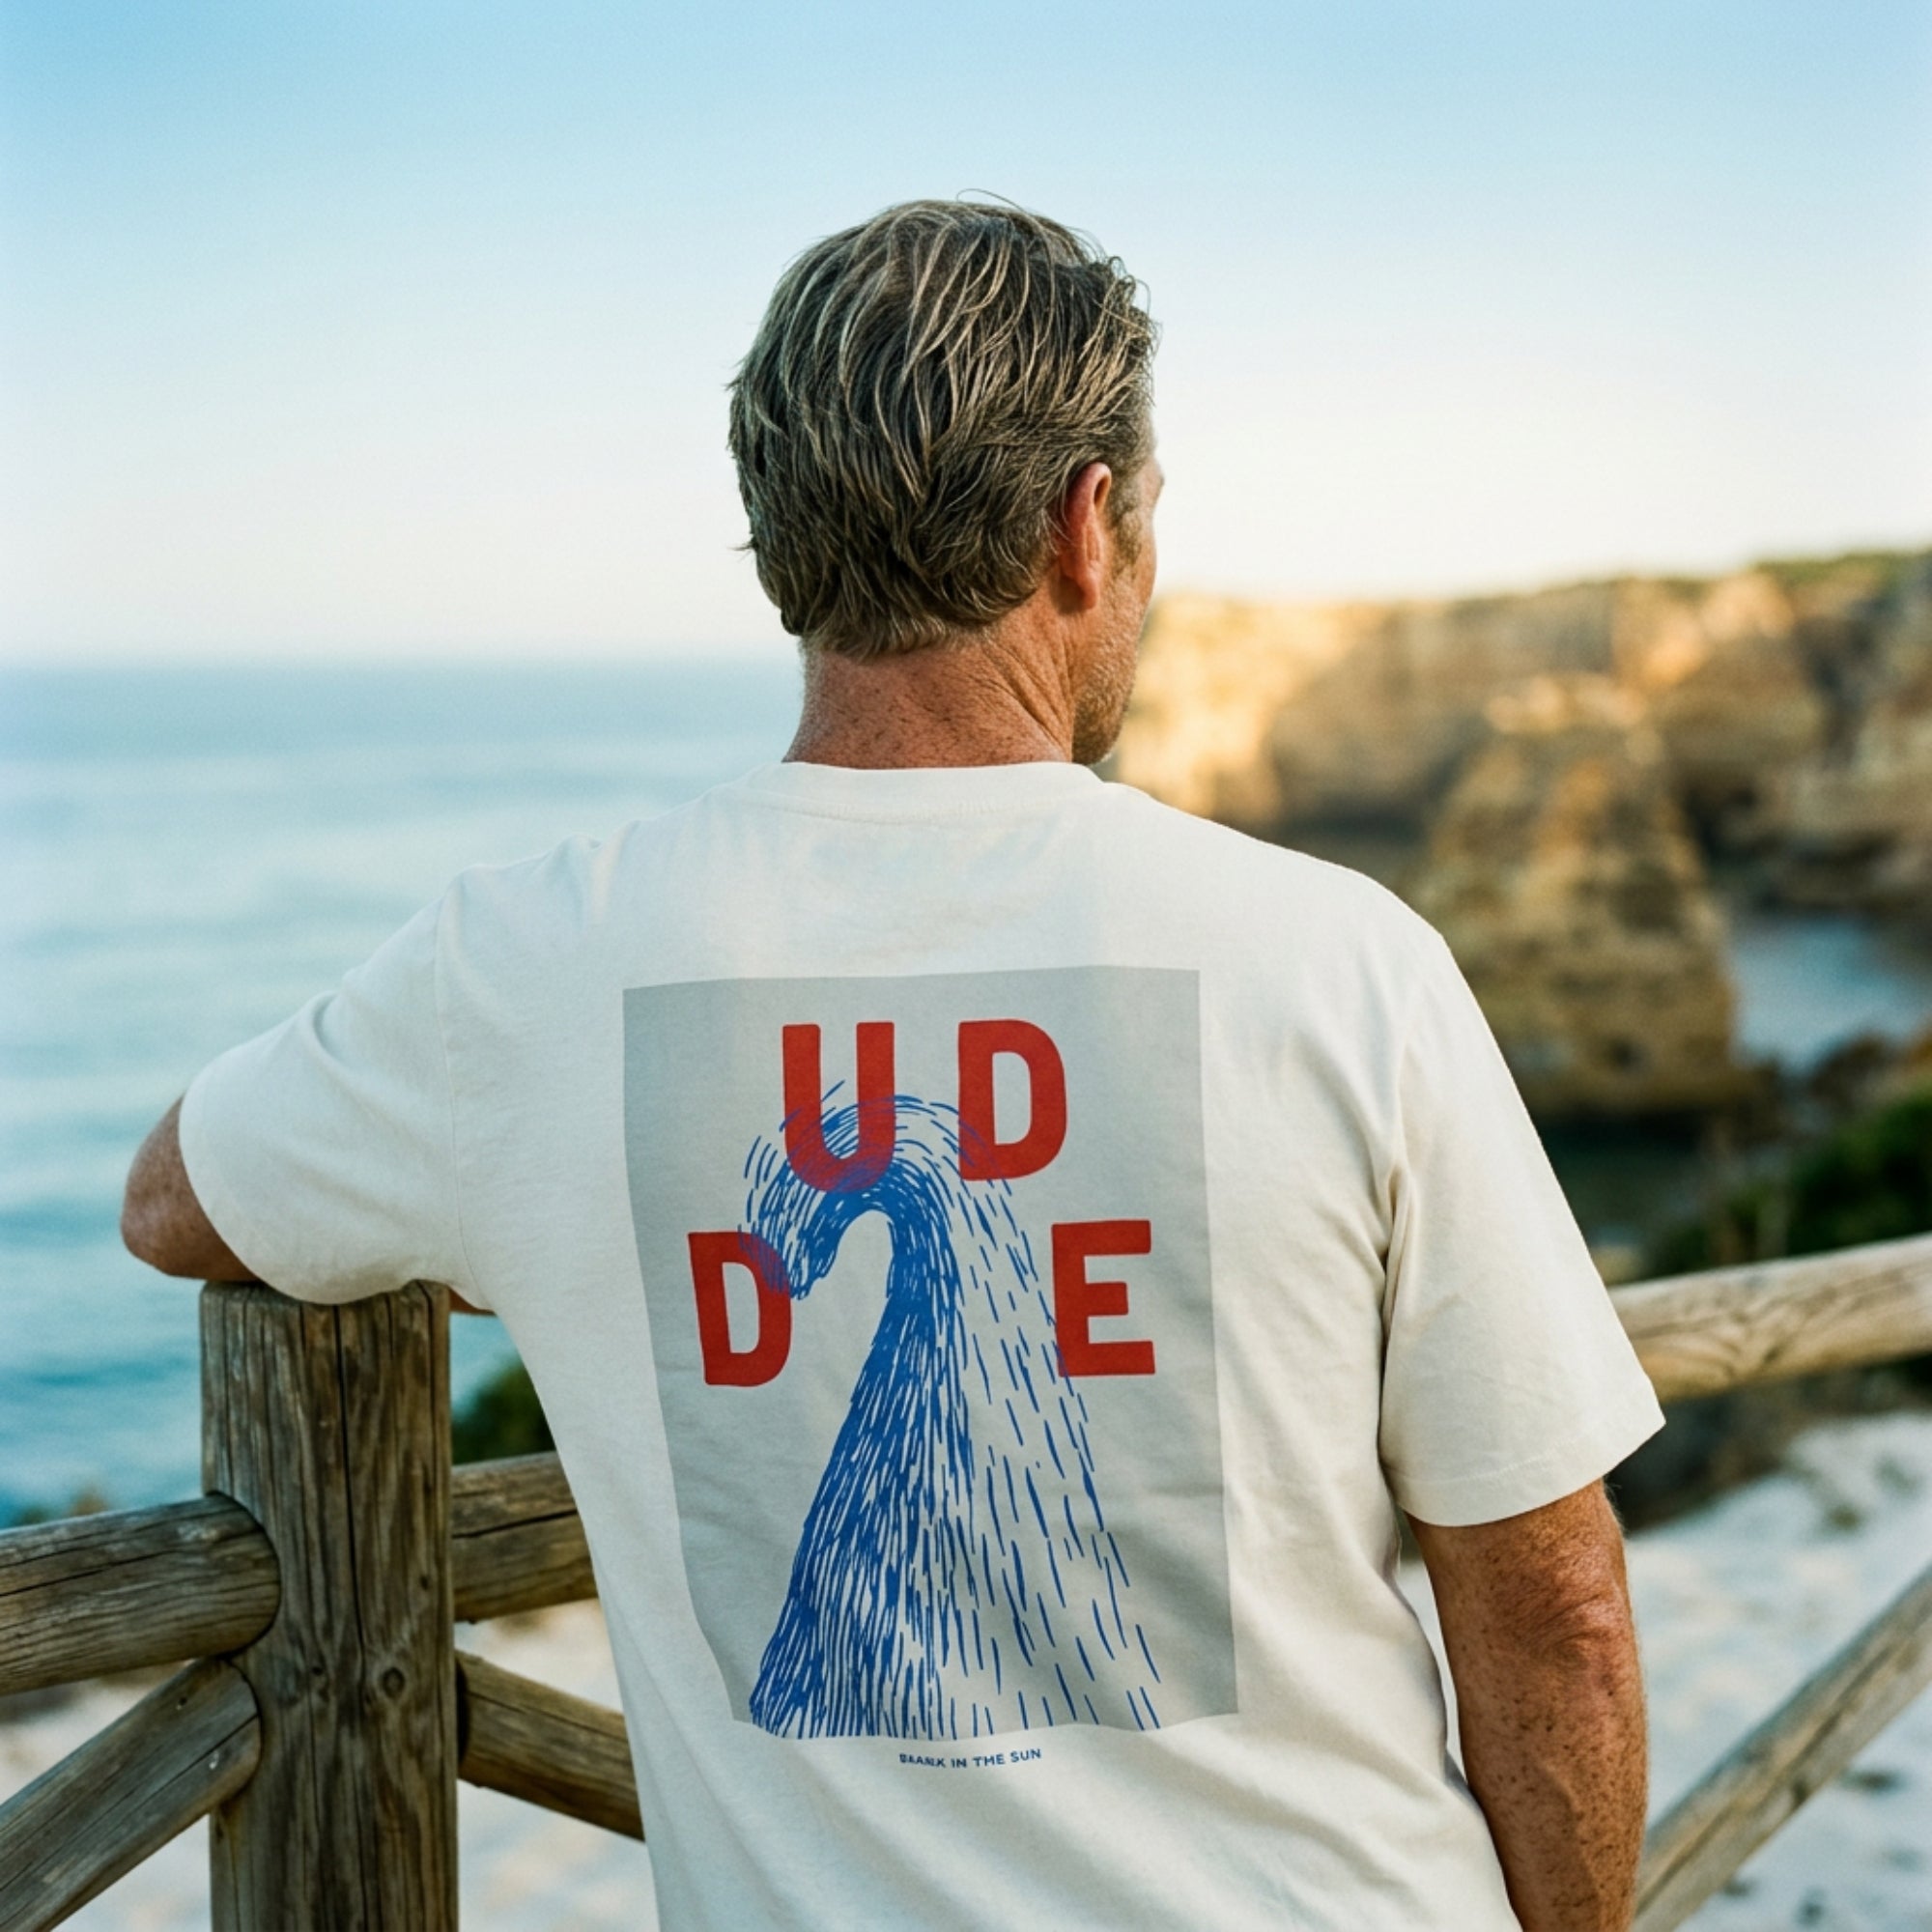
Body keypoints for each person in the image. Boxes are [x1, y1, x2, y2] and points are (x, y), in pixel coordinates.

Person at [123, 199, 1663, 1931]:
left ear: (780, 552)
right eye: (1147, 524)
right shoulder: (1341, 962)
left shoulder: (523, 972)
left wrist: (551, 1236)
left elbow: (178, 1200)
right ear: (1093, 530)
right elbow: (1560, 1618)